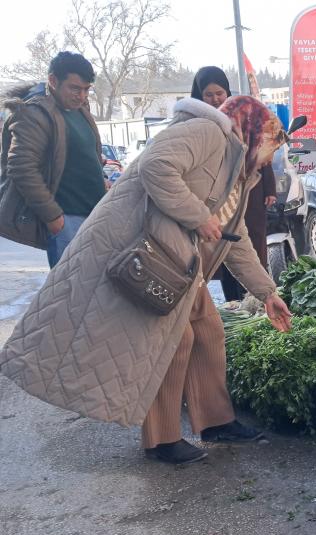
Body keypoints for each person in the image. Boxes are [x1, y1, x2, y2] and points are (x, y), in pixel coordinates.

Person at [1, 95, 293, 465]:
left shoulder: (240, 168)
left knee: (208, 332)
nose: (270, 159)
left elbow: (235, 239)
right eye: (271, 147)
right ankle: (162, 440)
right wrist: (198, 215)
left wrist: (267, 293)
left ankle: (216, 423)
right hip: (151, 251)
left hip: (183, 264)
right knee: (174, 341)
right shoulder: (207, 132)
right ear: (254, 132)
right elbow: (156, 165)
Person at [0, 52, 106, 267]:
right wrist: (54, 219)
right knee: (71, 295)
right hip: (67, 221)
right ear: (53, 81)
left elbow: (82, 159)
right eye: (75, 88)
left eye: (87, 89)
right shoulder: (34, 113)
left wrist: (101, 181)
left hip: (94, 216)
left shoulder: (81, 111)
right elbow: (21, 168)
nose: (82, 95)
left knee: (95, 293)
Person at [191, 66, 277, 299]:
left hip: (247, 195)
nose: (215, 99)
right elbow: (158, 171)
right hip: (209, 203)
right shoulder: (196, 129)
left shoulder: (243, 117)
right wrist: (199, 215)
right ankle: (233, 298)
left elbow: (264, 155)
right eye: (208, 95)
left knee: (243, 243)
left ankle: (252, 296)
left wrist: (270, 188)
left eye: (219, 93)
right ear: (199, 96)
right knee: (221, 246)